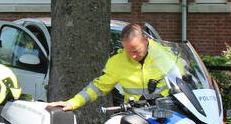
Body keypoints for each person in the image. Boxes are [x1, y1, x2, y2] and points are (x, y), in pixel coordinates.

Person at [47, 23, 175, 111]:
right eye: (128, 51)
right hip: (137, 114)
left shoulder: (165, 55)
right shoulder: (117, 62)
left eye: (136, 50)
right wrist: (72, 103)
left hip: (167, 113)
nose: (132, 56)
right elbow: (98, 87)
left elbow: (186, 80)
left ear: (145, 41)